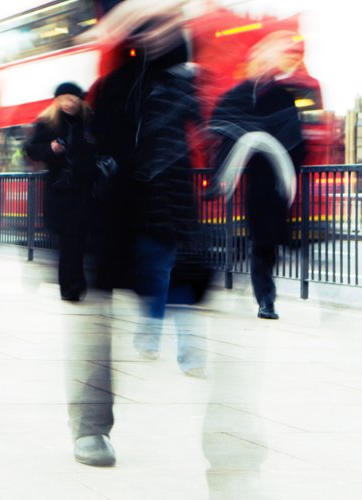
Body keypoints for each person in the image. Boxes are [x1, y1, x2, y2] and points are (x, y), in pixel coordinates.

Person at [69, 0, 201, 467]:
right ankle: (90, 428)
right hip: (114, 207)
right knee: (98, 317)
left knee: (182, 295)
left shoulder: (181, 76)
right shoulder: (113, 82)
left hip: (167, 206)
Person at [209, 30, 317, 321]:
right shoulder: (240, 94)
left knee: (267, 241)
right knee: (262, 240)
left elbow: (296, 140)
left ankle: (264, 294)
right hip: (258, 181)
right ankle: (265, 299)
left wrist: (288, 170)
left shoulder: (281, 96)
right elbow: (221, 129)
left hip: (275, 181)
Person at [24, 82, 97, 302]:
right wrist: (50, 149)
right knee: (68, 241)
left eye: (74, 99)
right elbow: (31, 149)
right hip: (60, 192)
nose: (70, 103)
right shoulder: (47, 123)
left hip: (85, 190)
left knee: (80, 240)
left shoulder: (89, 123)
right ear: (57, 101)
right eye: (65, 99)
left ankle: (77, 283)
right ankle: (70, 287)